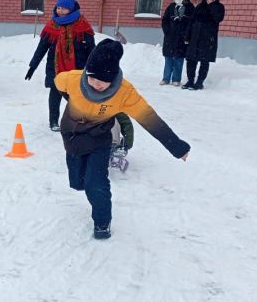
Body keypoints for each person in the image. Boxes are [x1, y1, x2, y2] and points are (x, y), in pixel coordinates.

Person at [55, 39, 190, 239]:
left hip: (100, 139)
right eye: (92, 78)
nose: (96, 84)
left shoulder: (125, 93)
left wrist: (177, 147)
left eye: (103, 80)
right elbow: (58, 84)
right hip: (73, 139)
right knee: (78, 182)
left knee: (96, 182)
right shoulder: (71, 79)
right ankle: (88, 188)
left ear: (114, 77)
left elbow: (150, 119)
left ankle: (102, 222)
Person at [26, 0, 95, 130]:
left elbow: (91, 49)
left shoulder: (83, 25)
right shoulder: (52, 25)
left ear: (71, 9)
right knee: (55, 93)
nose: (60, 10)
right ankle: (53, 121)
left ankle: (79, 118)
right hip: (55, 67)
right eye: (58, 7)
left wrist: (93, 68)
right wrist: (32, 66)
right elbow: (42, 48)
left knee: (75, 96)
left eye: (63, 8)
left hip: (77, 68)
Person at [183, 0, 225, 90]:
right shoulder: (199, 6)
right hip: (195, 37)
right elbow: (191, 22)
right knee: (191, 60)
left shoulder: (219, 7)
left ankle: (199, 82)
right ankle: (190, 81)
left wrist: (211, 5)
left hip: (207, 39)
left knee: (204, 61)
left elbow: (218, 18)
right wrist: (187, 36)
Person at [161, 0, 194, 86]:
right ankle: (166, 78)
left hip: (182, 38)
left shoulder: (191, 8)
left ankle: (176, 79)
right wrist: (167, 31)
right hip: (170, 37)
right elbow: (165, 20)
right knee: (169, 58)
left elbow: (192, 23)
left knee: (179, 59)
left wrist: (187, 34)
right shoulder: (171, 6)